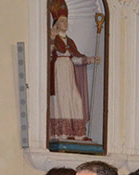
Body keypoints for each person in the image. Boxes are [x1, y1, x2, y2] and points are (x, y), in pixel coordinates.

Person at [48, 1, 99, 141]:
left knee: (75, 99)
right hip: (58, 72)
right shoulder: (52, 38)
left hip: (69, 72)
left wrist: (88, 60)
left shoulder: (69, 41)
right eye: (63, 21)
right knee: (62, 100)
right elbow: (47, 54)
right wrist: (52, 39)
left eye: (66, 21)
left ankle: (77, 133)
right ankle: (61, 133)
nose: (66, 23)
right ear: (56, 22)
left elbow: (73, 58)